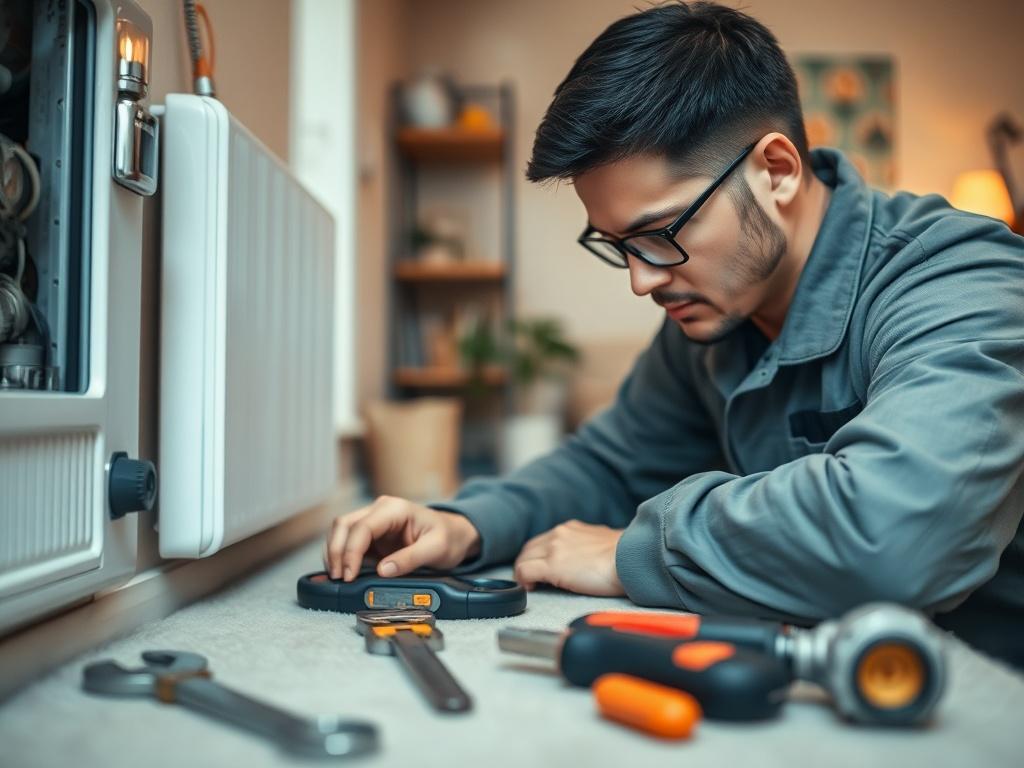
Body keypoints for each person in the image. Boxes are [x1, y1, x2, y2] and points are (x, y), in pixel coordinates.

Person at [326, 1, 1024, 666]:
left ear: (775, 171)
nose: (641, 280)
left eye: (658, 234)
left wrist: (636, 552)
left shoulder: (959, 278)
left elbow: (895, 537)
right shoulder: (714, 312)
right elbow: (610, 465)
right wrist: (467, 523)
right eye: (617, 245)